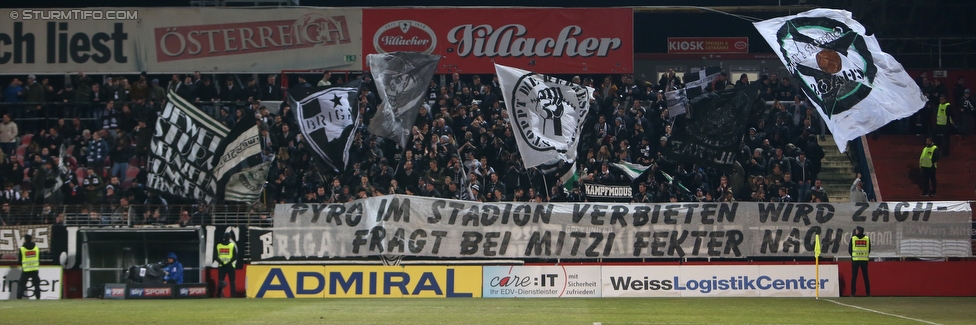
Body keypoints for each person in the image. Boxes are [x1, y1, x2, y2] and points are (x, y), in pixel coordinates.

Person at [214, 232, 238, 298]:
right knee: (232, 281)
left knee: (220, 281)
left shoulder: (219, 245)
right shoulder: (232, 245)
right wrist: (228, 262)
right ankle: (233, 294)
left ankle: (218, 294)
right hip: (230, 266)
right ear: (229, 238)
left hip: (222, 266)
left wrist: (221, 262)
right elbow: (235, 256)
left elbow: (215, 256)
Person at [17, 234, 41, 299]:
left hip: (26, 270)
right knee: (36, 284)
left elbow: (20, 260)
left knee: (21, 284)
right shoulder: (36, 248)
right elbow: (39, 257)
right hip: (35, 269)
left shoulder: (22, 249)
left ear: (25, 240)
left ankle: (19, 298)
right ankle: (38, 297)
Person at [849, 226, 871, 297]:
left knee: (854, 277)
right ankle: (868, 293)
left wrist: (853, 256)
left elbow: (850, 249)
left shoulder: (853, 238)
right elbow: (869, 249)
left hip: (855, 260)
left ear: (857, 231)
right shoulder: (867, 239)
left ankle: (853, 293)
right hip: (864, 260)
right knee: (866, 277)